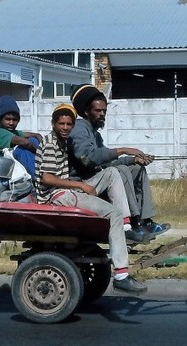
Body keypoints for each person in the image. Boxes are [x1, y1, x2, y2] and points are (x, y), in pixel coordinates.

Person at [34, 103, 147, 293]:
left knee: (111, 172)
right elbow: (47, 178)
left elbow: (96, 158)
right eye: (61, 124)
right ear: (53, 124)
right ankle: (121, 275)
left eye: (69, 124)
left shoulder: (64, 143)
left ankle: (126, 226)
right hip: (56, 196)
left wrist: (127, 158)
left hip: (68, 191)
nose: (65, 127)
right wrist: (80, 185)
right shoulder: (50, 143)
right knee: (113, 214)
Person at [68, 84, 170, 235]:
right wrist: (122, 150)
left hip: (98, 180)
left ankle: (146, 220)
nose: (102, 114)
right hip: (81, 184)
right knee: (119, 171)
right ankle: (133, 223)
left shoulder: (95, 134)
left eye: (104, 111)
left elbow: (107, 161)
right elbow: (89, 159)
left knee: (136, 169)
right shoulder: (78, 128)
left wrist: (133, 160)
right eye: (98, 111)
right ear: (86, 111)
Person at [0, 95, 43, 181]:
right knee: (22, 150)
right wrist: (43, 154)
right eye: (7, 119)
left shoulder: (13, 132)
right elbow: (25, 143)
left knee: (33, 140)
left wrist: (44, 145)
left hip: (7, 170)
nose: (11, 123)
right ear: (0, 120)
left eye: (14, 120)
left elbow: (35, 135)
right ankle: (37, 179)